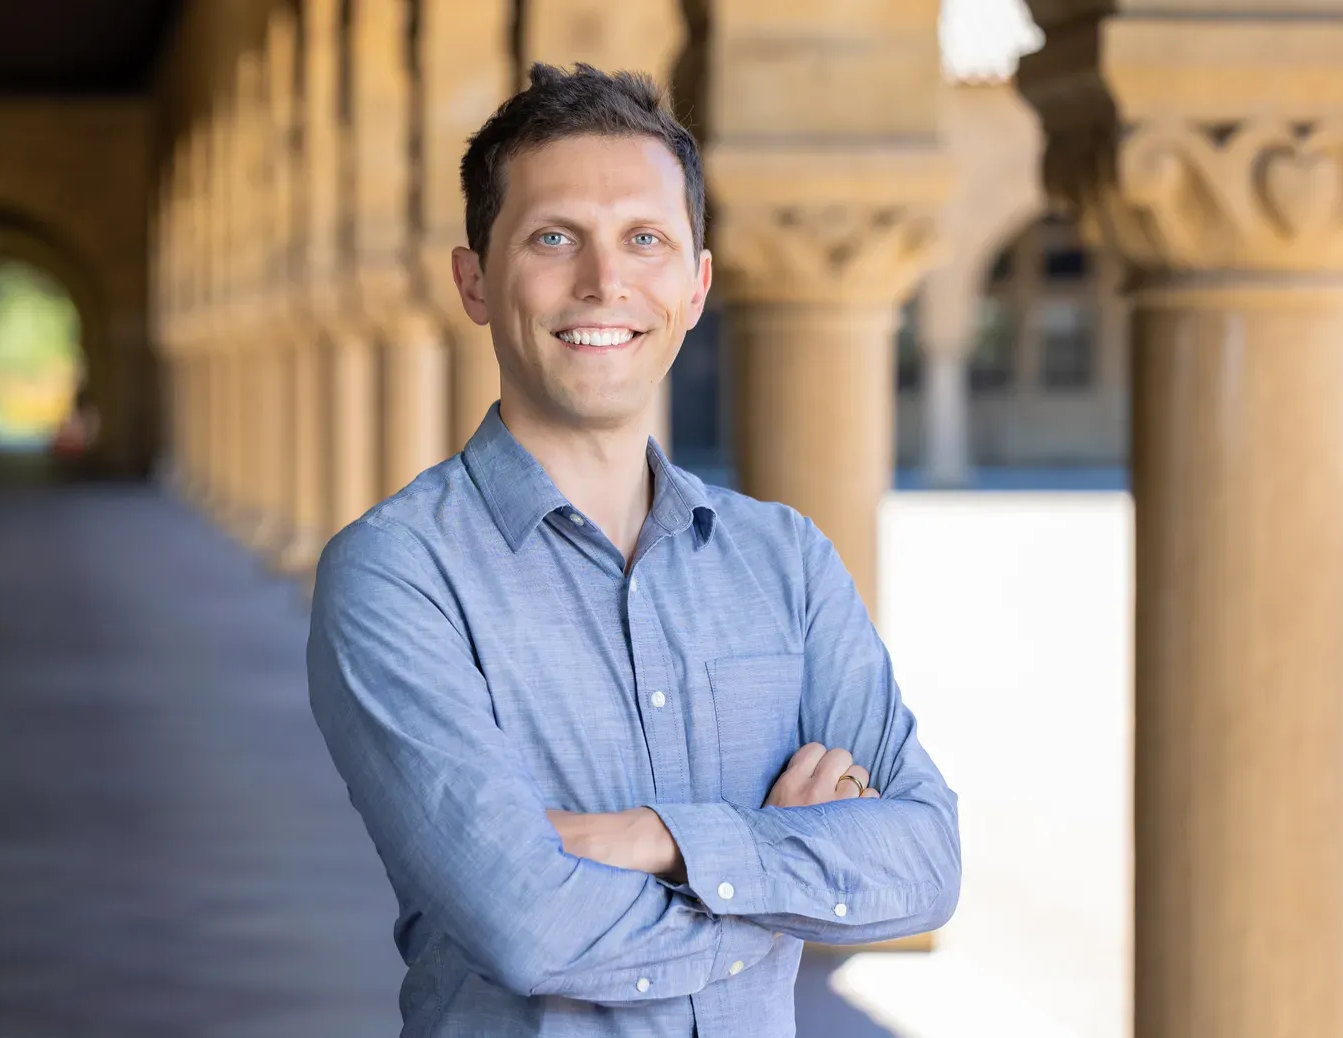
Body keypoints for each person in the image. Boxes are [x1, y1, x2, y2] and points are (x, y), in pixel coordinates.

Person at [306, 63, 960, 1037]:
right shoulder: (398, 576)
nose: (605, 282)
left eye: (645, 239)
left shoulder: (785, 562)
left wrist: (657, 841)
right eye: (554, 236)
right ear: (475, 280)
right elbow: (531, 928)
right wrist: (781, 878)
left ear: (696, 285)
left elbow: (926, 863)